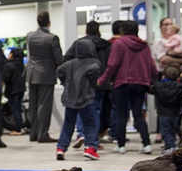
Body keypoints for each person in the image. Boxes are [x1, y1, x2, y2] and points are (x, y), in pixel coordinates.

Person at [97, 20, 158, 154]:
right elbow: (151, 64)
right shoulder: (144, 45)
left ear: (123, 30)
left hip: (122, 83)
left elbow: (113, 64)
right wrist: (155, 78)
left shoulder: (119, 43)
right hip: (141, 83)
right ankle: (146, 144)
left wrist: (103, 79)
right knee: (138, 114)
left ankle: (121, 145)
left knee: (121, 114)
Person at [63, 20, 111, 148]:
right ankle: (92, 139)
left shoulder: (79, 44)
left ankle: (81, 134)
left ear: (86, 30)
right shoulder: (105, 45)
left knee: (80, 108)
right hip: (99, 82)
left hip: (80, 83)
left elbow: (66, 58)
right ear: (98, 30)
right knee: (94, 111)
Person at [55, 38, 102, 160]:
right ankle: (90, 148)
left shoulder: (69, 64)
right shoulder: (94, 62)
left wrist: (65, 82)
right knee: (91, 123)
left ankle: (61, 148)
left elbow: (59, 71)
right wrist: (92, 82)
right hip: (86, 98)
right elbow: (94, 71)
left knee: (68, 123)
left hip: (69, 98)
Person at [25, 11, 63, 143]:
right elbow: (58, 59)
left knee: (33, 105)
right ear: (49, 22)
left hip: (32, 74)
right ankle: (42, 134)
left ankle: (33, 133)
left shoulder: (30, 36)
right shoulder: (52, 38)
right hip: (46, 74)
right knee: (44, 106)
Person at [149, 65, 182, 154]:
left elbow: (150, 88)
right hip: (175, 113)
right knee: (172, 130)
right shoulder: (179, 87)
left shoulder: (158, 86)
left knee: (165, 131)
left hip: (163, 113)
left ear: (163, 75)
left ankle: (170, 147)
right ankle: (171, 145)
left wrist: (155, 77)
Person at [2, 48, 26, 135]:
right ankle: (20, 127)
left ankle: (17, 129)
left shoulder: (9, 65)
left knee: (15, 110)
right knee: (18, 109)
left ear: (12, 54)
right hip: (21, 89)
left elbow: (5, 78)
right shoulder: (21, 65)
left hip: (12, 90)